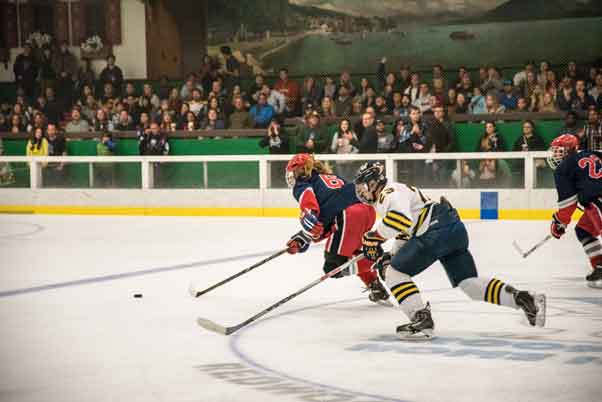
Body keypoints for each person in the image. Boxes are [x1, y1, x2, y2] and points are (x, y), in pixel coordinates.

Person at [354, 162, 546, 339]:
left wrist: (372, 237)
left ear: (373, 182)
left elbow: (400, 220)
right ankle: (525, 299)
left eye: (363, 186)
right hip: (451, 229)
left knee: (394, 273)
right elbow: (405, 231)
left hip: (435, 230)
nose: (361, 192)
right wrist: (393, 254)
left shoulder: (389, 192)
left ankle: (421, 318)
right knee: (470, 285)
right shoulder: (394, 192)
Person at [284, 154, 388, 303]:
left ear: (301, 170)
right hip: (367, 211)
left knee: (333, 267)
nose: (291, 176)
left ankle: (381, 260)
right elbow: (328, 217)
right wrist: (304, 236)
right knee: (353, 253)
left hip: (349, 216)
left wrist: (309, 216)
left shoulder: (303, 182)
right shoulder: (329, 177)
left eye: (293, 171)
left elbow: (312, 207)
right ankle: (375, 286)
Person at [547, 134, 602, 288]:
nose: (556, 155)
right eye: (555, 151)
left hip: (598, 202)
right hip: (593, 204)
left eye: (559, 151)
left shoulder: (563, 168)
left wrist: (559, 224)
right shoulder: (592, 153)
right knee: (583, 230)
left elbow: (568, 205)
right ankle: (599, 266)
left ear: (571, 149)